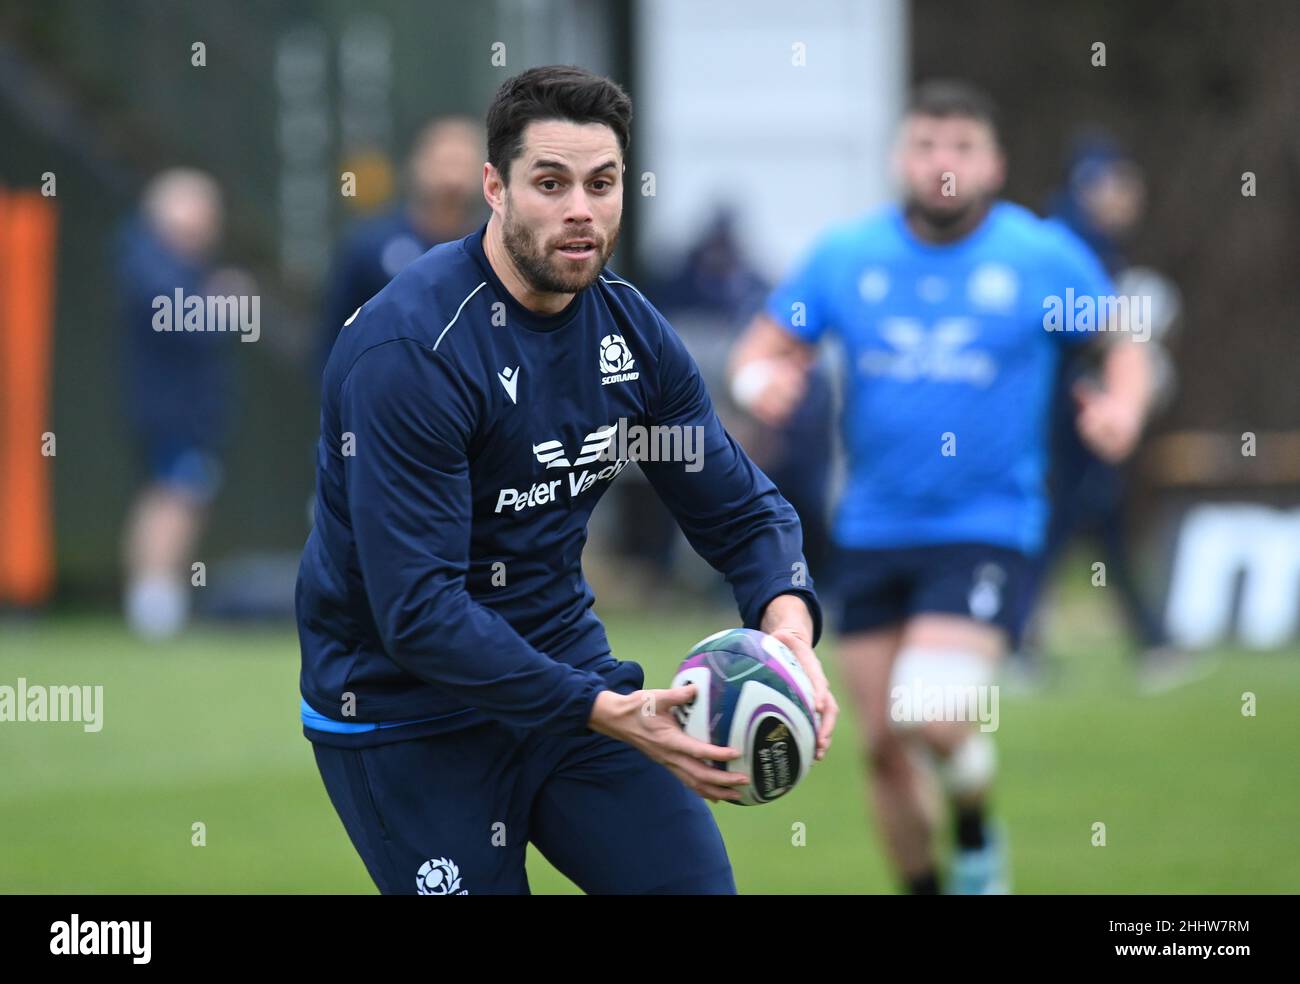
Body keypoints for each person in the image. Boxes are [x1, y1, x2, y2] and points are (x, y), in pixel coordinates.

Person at [296, 66, 838, 895]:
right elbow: (420, 612)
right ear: (495, 188)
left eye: (603, 183)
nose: (580, 209)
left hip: (566, 677)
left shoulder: (632, 333)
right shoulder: (410, 356)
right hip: (403, 713)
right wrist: (604, 709)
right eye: (550, 183)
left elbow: (740, 510)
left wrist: (788, 628)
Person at [729, 81, 1154, 893]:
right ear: (901, 159)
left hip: (988, 525)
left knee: (933, 714)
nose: (943, 164)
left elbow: (1120, 342)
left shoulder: (1038, 257)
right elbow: (765, 347)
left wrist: (1122, 408)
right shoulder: (848, 255)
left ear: (993, 164)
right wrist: (759, 384)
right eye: (926, 146)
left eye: (961, 147)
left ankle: (976, 836)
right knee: (883, 745)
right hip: (871, 529)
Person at [1009, 135, 1194, 692]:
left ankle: (1147, 640)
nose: (1128, 194)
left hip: (1079, 409)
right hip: (1071, 412)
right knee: (1067, 519)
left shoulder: (1092, 242)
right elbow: (1075, 335)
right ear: (1090, 183)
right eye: (1116, 181)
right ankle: (1020, 639)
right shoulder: (1070, 245)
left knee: (1092, 522)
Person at [117, 168, 230, 639]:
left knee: (178, 495)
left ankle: (157, 600)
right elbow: (182, 322)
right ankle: (154, 604)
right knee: (173, 497)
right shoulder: (150, 260)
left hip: (188, 409)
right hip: (170, 409)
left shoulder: (177, 264)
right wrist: (224, 303)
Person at [318, 116, 485, 376]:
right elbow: (331, 340)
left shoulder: (502, 251)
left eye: (464, 164)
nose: (453, 178)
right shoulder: (369, 246)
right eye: (444, 162)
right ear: (418, 166)